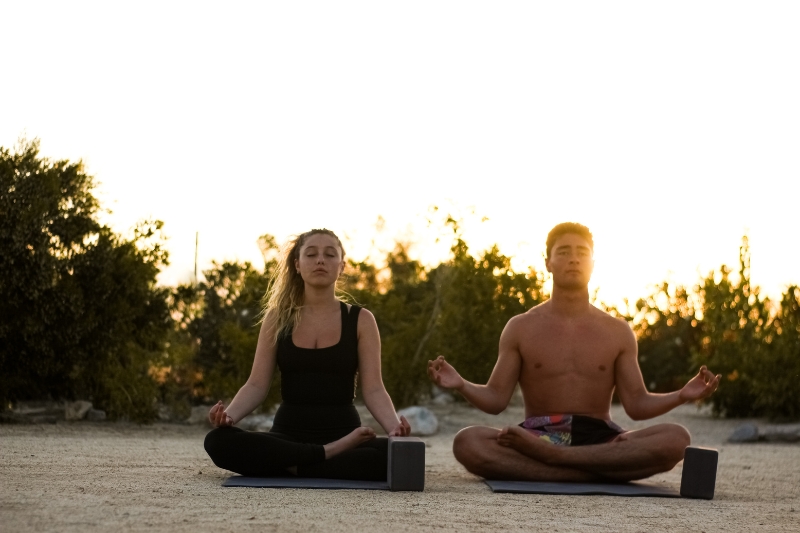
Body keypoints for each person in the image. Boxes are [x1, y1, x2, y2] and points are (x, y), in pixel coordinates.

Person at [428, 222, 720, 482]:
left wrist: (681, 395)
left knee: (676, 438)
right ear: (548, 263)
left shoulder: (617, 331)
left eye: (582, 252)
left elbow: (637, 404)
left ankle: (557, 465)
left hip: (600, 437)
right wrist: (461, 385)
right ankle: (594, 471)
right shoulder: (521, 327)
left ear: (593, 263)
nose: (573, 259)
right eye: (564, 252)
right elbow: (495, 399)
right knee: (467, 442)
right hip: (537, 434)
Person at [204, 228, 410, 481]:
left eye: (330, 254)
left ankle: (292, 465)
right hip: (288, 434)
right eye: (311, 254)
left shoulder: (361, 320)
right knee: (217, 441)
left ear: (342, 266)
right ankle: (324, 456)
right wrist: (230, 417)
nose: (320, 260)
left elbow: (374, 389)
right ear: (297, 265)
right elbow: (257, 384)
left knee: (395, 454)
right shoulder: (277, 318)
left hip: (345, 434)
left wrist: (393, 429)